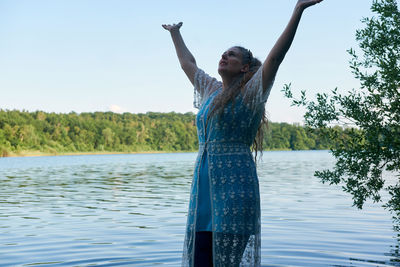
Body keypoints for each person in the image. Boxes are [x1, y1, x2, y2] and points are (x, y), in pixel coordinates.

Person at [162, 0, 324, 266]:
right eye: (223, 53)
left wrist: (298, 10)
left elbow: (275, 58)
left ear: (245, 68)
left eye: (232, 55)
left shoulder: (252, 94)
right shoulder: (210, 90)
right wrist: (175, 34)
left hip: (235, 190)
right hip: (203, 192)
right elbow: (187, 63)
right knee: (200, 259)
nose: (224, 56)